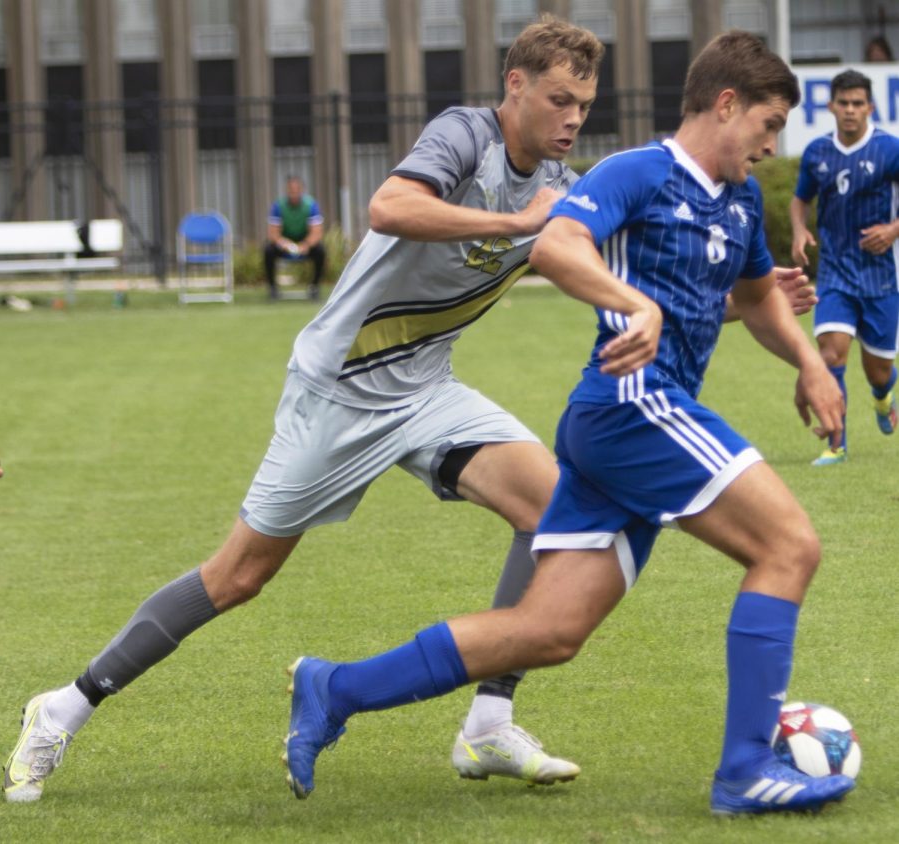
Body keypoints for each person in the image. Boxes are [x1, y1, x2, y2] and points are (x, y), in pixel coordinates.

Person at [3, 16, 603, 804]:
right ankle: (63, 707)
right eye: (559, 98)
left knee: (553, 509)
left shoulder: (558, 191)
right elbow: (390, 205)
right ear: (515, 85)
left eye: (585, 106)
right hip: (339, 392)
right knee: (237, 576)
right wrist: (512, 223)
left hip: (426, 389)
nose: (572, 118)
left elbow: (596, 269)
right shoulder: (466, 135)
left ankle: (488, 725)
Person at [276, 31, 856, 817]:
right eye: (769, 123)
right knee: (789, 546)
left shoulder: (741, 198)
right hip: (632, 407)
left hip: (630, 426)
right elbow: (554, 245)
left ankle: (335, 687)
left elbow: (756, 300)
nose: (772, 142)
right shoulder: (637, 173)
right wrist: (634, 303)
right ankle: (748, 768)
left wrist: (810, 363)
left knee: (548, 632)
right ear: (727, 105)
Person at [790, 69, 899, 466]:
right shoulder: (817, 153)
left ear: (870, 107)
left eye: (857, 104)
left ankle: (884, 394)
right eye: (843, 103)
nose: (850, 111)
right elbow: (800, 200)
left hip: (880, 278)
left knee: (878, 371)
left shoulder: (890, 149)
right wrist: (799, 230)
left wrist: (892, 230)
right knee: (832, 354)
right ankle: (836, 443)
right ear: (831, 106)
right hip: (835, 273)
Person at [264, 176, 327, 301]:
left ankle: (314, 287)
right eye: (291, 190)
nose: (294, 193)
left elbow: (317, 232)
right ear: (287, 191)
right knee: (268, 250)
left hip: (305, 243)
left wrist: (306, 245)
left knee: (321, 251)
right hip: (285, 244)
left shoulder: (311, 205)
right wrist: (284, 244)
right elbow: (273, 233)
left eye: (296, 190)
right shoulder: (278, 206)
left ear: (302, 190)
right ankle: (273, 289)